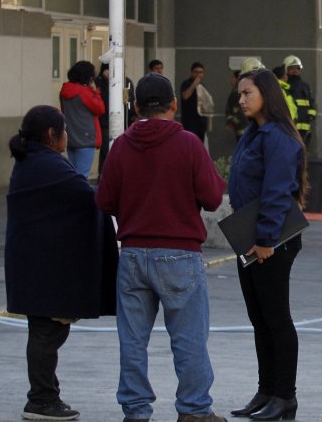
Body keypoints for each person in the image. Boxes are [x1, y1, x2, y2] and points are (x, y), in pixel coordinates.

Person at [95, 73, 227, 422]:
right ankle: (195, 410)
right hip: (181, 255)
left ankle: (136, 411)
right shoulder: (188, 144)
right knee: (188, 340)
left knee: (133, 341)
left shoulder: (121, 145)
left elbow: (104, 200)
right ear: (173, 105)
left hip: (134, 254)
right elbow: (214, 198)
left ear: (136, 107)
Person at [6, 105, 118, 421]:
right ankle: (41, 399)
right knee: (45, 334)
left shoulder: (34, 160)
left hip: (36, 264)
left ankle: (46, 394)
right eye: (64, 129)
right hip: (43, 267)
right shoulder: (48, 166)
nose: (67, 136)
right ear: (51, 135)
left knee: (46, 332)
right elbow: (88, 198)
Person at [226, 69, 306, 421]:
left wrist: (264, 240)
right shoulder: (253, 133)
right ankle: (266, 390)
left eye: (247, 93)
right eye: (240, 94)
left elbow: (276, 192)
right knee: (259, 318)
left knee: (276, 318)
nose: (241, 99)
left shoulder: (279, 138)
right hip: (250, 238)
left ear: (267, 94)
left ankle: (285, 397)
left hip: (271, 241)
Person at [59, 60, 105, 179]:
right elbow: (100, 109)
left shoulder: (64, 90)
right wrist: (95, 92)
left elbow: (64, 110)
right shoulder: (85, 93)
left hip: (71, 136)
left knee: (73, 174)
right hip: (86, 137)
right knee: (82, 176)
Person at [95, 63, 137, 175]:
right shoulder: (99, 82)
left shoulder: (126, 81)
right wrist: (108, 81)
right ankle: (103, 175)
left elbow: (130, 99)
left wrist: (132, 115)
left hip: (124, 121)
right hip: (105, 122)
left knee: (123, 150)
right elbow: (101, 100)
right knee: (106, 151)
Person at [283, 56, 317, 147]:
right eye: (291, 68)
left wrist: (311, 115)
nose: (295, 71)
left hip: (304, 126)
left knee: (303, 152)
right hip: (290, 126)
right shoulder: (285, 86)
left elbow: (311, 102)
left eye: (297, 68)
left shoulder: (305, 86)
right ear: (285, 69)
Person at [180, 61, 209, 144]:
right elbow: (185, 96)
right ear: (191, 72)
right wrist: (194, 85)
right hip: (190, 122)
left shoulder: (202, 85)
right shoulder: (186, 83)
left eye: (201, 72)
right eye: (196, 72)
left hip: (201, 123)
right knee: (190, 145)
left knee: (200, 146)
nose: (198, 75)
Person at [225, 70, 249, 141]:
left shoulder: (239, 93)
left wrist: (232, 122)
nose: (231, 79)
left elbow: (241, 111)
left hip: (242, 128)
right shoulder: (236, 91)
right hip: (240, 128)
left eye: (233, 77)